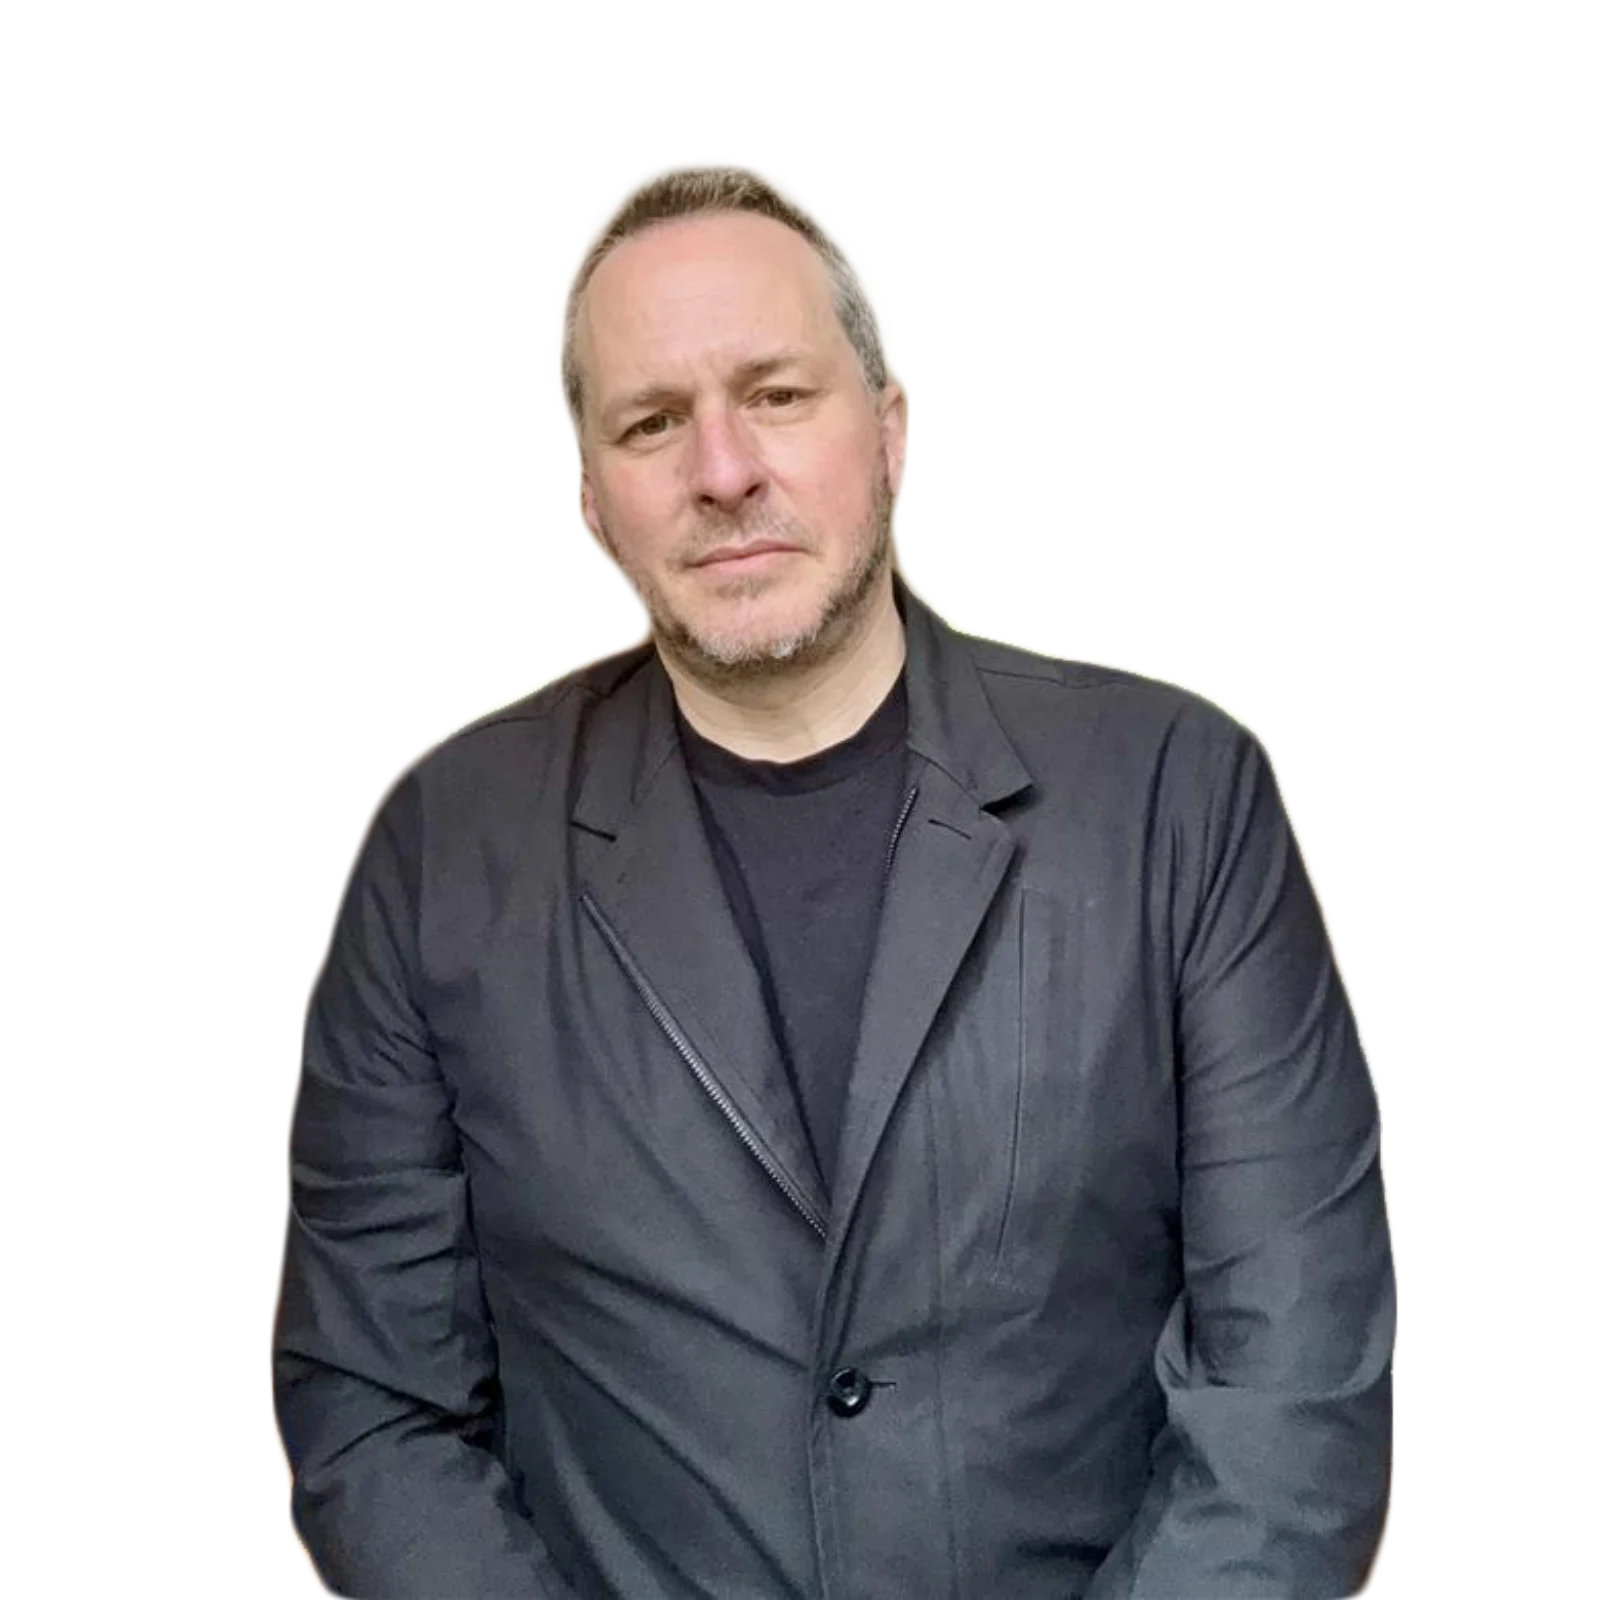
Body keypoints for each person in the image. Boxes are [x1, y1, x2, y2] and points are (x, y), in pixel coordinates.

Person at [271, 158, 1396, 1598]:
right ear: (592, 496)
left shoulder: (1180, 795)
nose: (723, 470)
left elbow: (1291, 1402)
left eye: (777, 394)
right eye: (651, 422)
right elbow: (374, 1409)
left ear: (893, 427)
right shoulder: (446, 844)